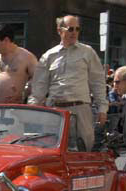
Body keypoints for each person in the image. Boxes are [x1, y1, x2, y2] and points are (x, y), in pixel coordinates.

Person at [28, 15, 108, 151]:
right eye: (70, 29)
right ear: (60, 30)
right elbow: (39, 88)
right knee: (52, 151)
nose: (74, 32)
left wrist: (102, 108)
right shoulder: (49, 56)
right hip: (55, 111)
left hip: (80, 109)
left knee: (84, 151)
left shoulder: (88, 52)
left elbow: (97, 82)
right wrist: (32, 110)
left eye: (77, 29)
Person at [0, 23, 38, 104]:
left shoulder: (26, 57)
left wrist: (24, 93)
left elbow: (38, 80)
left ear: (6, 40)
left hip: (13, 109)